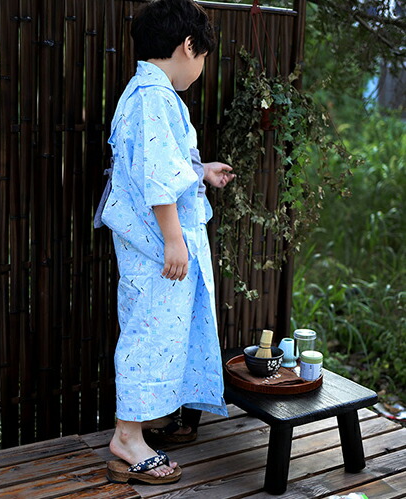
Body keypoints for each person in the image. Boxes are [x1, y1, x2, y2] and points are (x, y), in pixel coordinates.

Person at [98, 0, 235, 485]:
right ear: (188, 46)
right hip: (160, 248)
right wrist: (175, 240)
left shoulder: (146, 94)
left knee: (157, 334)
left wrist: (199, 170)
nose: (199, 70)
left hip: (158, 246)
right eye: (202, 60)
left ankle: (139, 425)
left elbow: (156, 166)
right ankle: (127, 437)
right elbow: (156, 177)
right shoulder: (153, 97)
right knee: (147, 336)